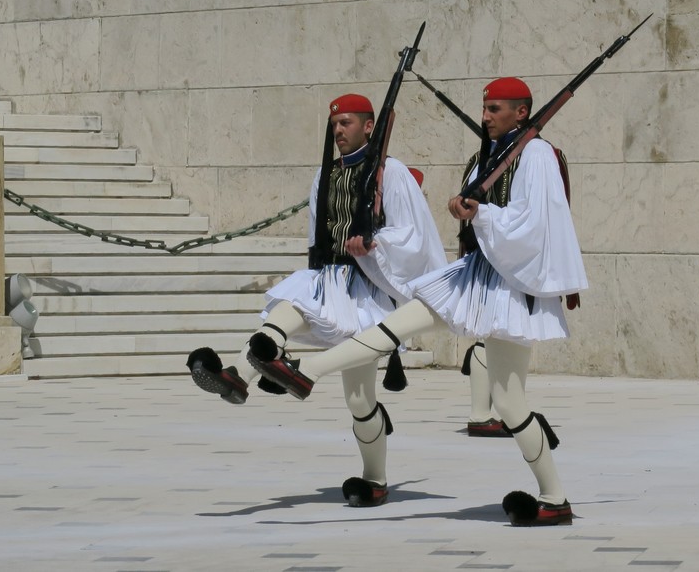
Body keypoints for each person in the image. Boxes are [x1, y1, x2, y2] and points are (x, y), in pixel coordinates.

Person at [249, 77, 587, 527]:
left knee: (509, 404)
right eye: (485, 108)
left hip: (510, 285)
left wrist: (479, 211)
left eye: (496, 109)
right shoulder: (491, 154)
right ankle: (306, 373)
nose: (485, 116)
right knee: (396, 325)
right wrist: (465, 206)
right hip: (474, 275)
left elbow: (535, 223)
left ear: (521, 112)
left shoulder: (537, 154)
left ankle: (554, 497)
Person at [185, 93, 446, 508]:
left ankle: (374, 479)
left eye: (347, 123)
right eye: (335, 124)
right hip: (330, 277)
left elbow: (412, 234)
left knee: (360, 400)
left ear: (368, 125)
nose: (339, 130)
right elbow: (315, 232)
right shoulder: (325, 173)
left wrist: (373, 243)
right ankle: (238, 376)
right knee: (291, 301)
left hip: (370, 288)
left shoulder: (391, 173)